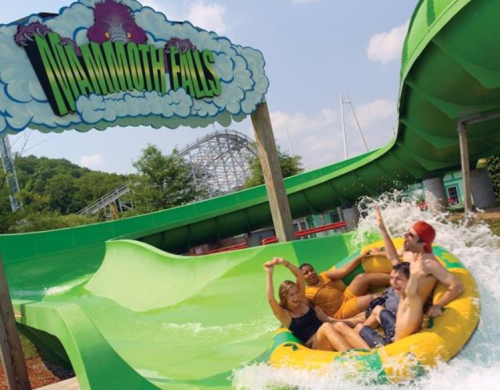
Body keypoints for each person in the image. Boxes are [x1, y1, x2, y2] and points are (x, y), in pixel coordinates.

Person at [375, 205, 464, 318]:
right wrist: (382, 229)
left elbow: (457, 286)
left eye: (410, 235)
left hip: (405, 308)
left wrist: (438, 305)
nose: (405, 235)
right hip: (394, 294)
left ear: (422, 244)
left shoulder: (429, 264)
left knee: (358, 320)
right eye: (407, 232)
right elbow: (393, 255)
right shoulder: (409, 251)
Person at [264, 257, 369, 351]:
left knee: (339, 325)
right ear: (284, 298)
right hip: (316, 345)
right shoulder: (284, 314)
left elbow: (299, 274)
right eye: (291, 295)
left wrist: (285, 263)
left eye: (296, 292)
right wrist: (269, 273)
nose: (296, 297)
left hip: (330, 334)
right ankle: (351, 357)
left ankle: (368, 352)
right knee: (327, 326)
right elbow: (270, 299)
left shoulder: (301, 300)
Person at [299, 252, 390, 320]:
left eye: (311, 270)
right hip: (341, 311)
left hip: (346, 296)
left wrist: (360, 257)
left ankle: (394, 279)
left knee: (361, 278)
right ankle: (393, 296)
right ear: (302, 278)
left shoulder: (323, 276)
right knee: (371, 298)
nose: (311, 273)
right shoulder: (307, 293)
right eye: (306, 273)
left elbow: (344, 271)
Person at [357, 262, 418, 347]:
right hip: (394, 334)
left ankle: (350, 338)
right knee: (376, 309)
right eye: (392, 278)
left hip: (392, 343)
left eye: (398, 279)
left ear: (410, 280)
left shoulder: (412, 297)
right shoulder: (403, 296)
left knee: (357, 327)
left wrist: (438, 305)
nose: (393, 282)